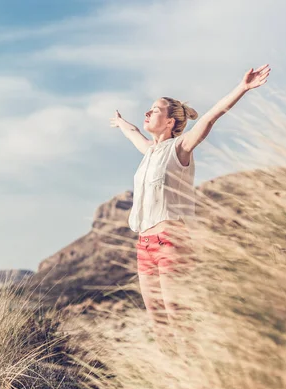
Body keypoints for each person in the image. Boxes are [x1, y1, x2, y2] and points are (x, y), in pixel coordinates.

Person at [110, 64, 271, 355]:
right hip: (144, 245)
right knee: (157, 321)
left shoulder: (180, 148)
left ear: (171, 122)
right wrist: (120, 122)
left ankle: (196, 370)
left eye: (155, 110)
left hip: (172, 242)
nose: (147, 113)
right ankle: (173, 380)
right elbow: (133, 132)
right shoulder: (149, 152)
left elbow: (211, 117)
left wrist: (242, 88)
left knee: (177, 315)